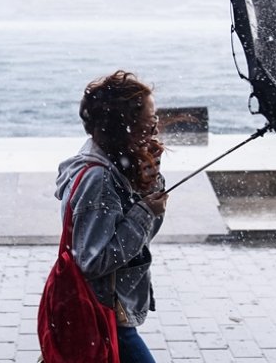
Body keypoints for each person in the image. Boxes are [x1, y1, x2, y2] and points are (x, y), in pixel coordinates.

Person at [54, 70, 167, 363]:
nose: (155, 130)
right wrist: (144, 212)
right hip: (104, 312)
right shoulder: (99, 179)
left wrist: (149, 184)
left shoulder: (111, 166)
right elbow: (94, 260)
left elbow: (138, 241)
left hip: (105, 312)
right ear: (124, 126)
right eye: (148, 122)